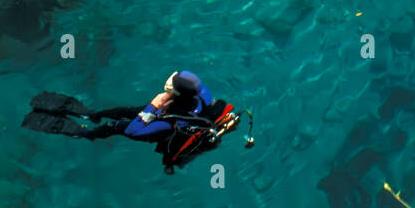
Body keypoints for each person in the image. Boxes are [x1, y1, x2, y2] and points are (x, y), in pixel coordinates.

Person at [21, 72, 250, 173]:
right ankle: (93, 114)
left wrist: (153, 107)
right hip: (166, 110)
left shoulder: (171, 121)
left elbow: (134, 132)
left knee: (116, 126)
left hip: (159, 125)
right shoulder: (203, 94)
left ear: (173, 95)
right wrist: (159, 104)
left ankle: (85, 133)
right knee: (123, 110)